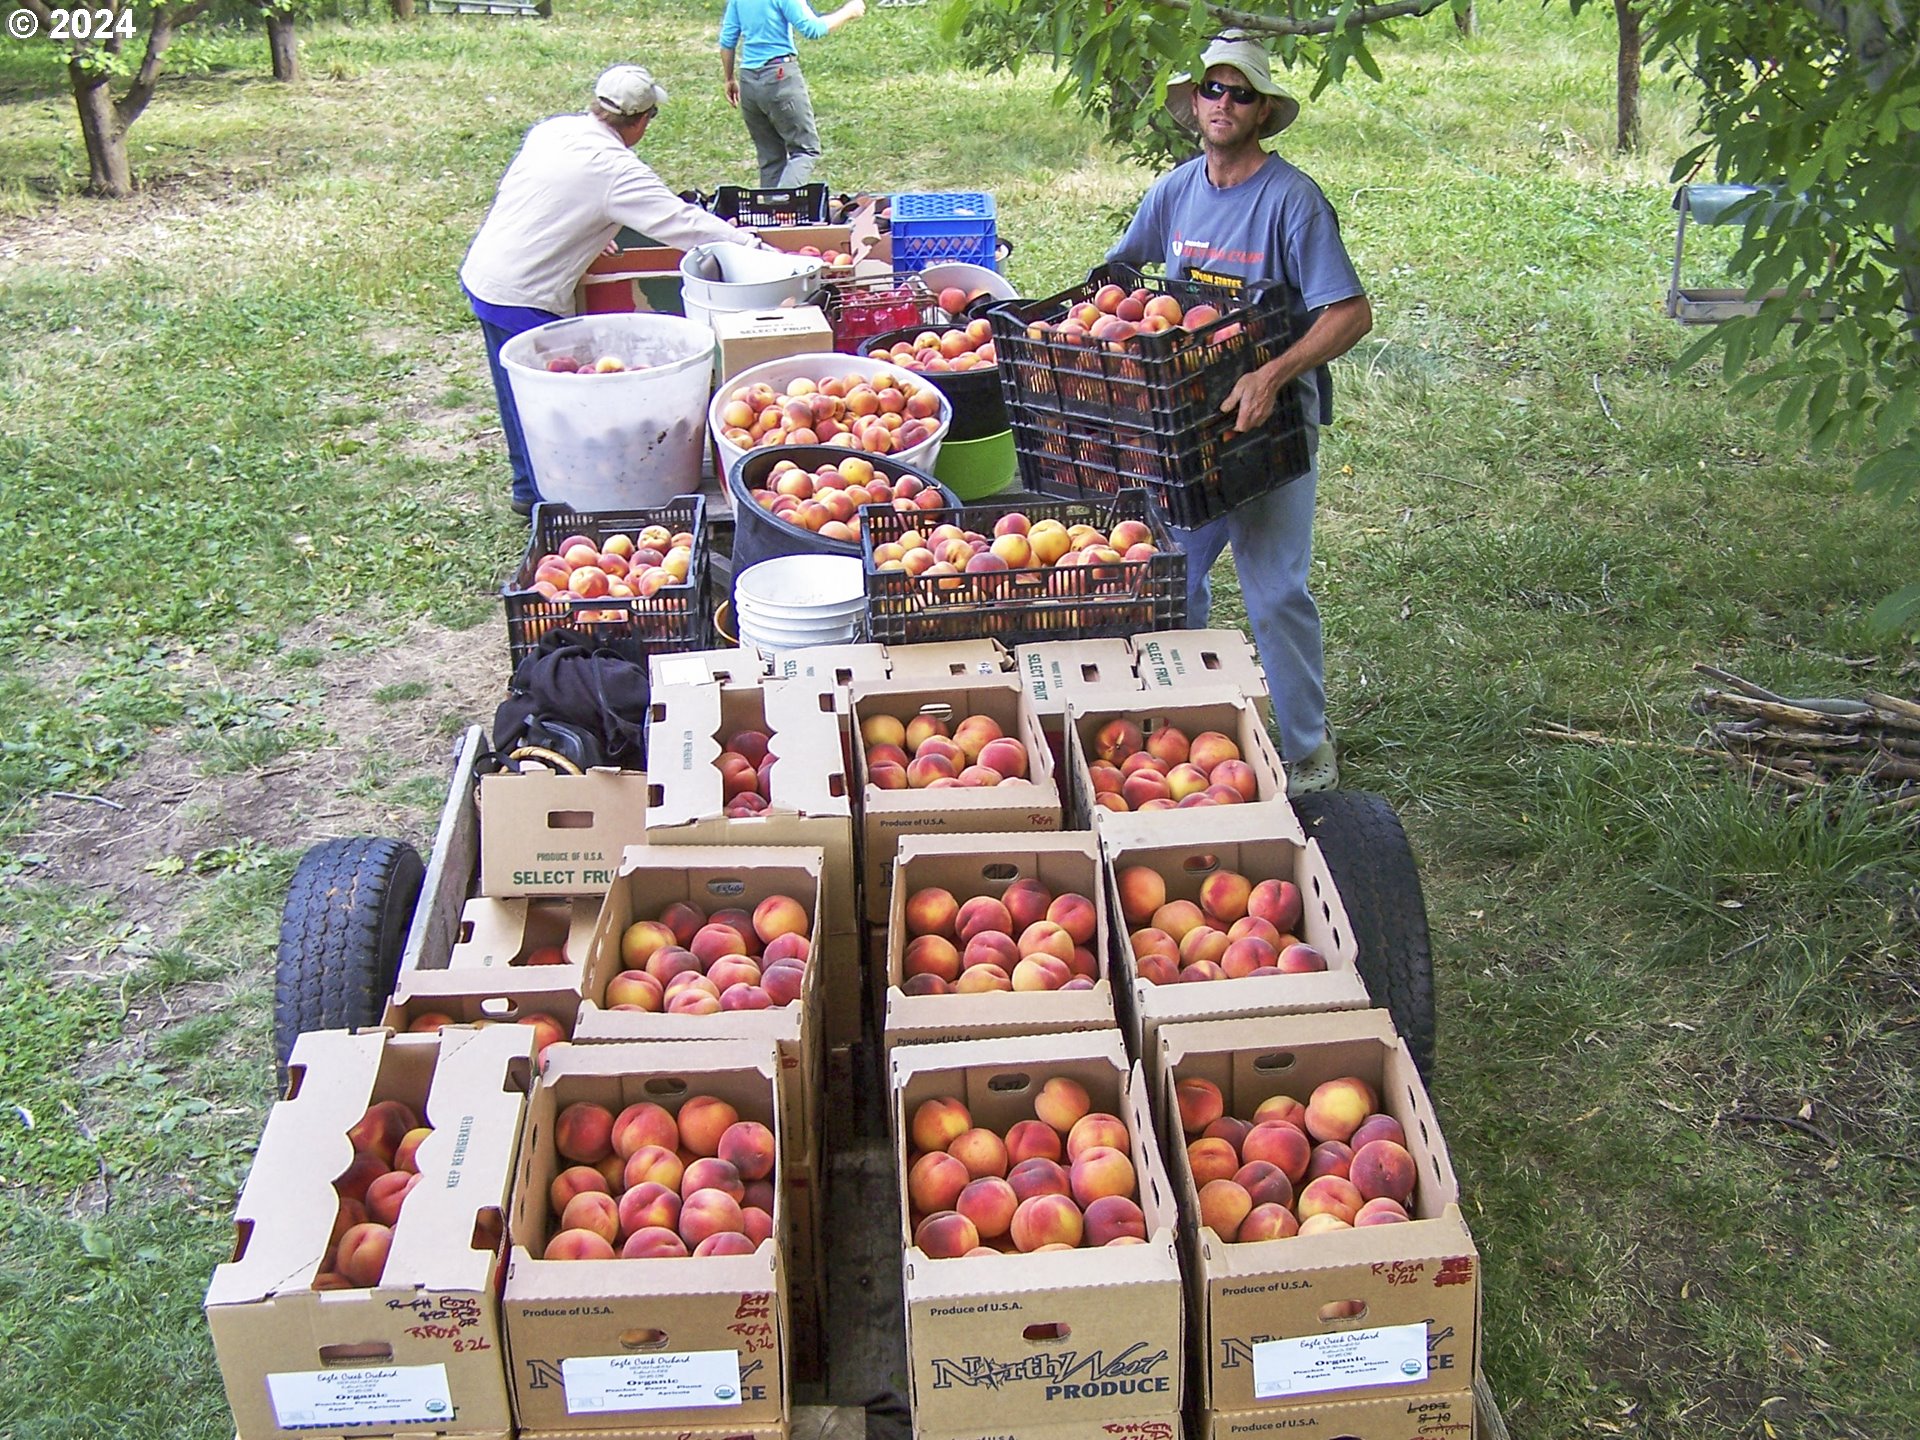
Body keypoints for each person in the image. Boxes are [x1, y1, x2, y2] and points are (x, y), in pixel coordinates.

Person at [1106, 30, 1372, 794]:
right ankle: (1184, 727)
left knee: (1274, 588)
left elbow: (1351, 313)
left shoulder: (1292, 200)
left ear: (1261, 113)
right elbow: (1121, 274)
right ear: (1194, 104)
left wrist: (1274, 372)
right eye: (1213, 90)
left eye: (1242, 94)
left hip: (1267, 430)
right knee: (1169, 574)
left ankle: (1307, 749)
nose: (1224, 103)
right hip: (1190, 428)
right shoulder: (1176, 190)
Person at [460, 64, 773, 515]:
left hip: (486, 271)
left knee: (517, 394)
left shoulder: (555, 130)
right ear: (642, 121)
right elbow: (680, 221)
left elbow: (546, 189)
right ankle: (551, 501)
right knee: (546, 408)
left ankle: (528, 490)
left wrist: (585, 224)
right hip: (522, 293)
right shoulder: (616, 171)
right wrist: (750, 243)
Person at [719, 0, 865, 188]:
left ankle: (770, 214)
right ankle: (783, 205)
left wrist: (729, 78)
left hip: (749, 83)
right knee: (805, 150)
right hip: (780, 78)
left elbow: (727, 40)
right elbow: (813, 29)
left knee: (770, 158)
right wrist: (849, 11)